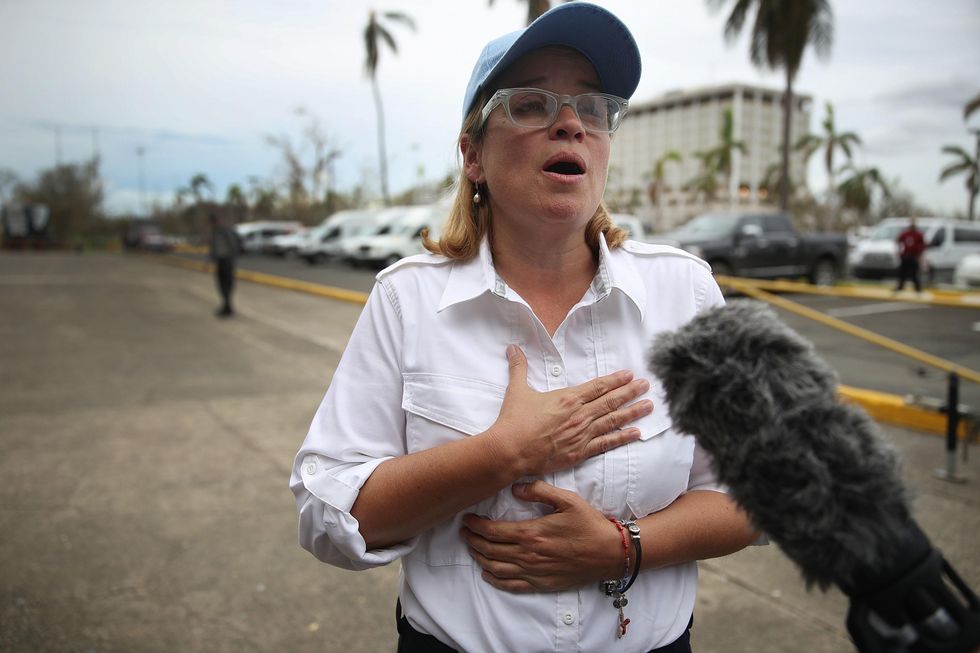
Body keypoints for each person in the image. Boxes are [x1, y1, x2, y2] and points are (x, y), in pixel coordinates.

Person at [290, 4, 758, 651]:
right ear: (473, 154)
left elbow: (750, 489)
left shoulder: (685, 291)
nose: (570, 123)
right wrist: (502, 454)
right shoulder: (408, 299)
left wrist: (624, 546)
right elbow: (326, 515)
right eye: (532, 105)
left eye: (592, 108)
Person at [208, 209, 238, 317]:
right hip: (221, 261)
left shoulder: (224, 231)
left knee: (226, 285)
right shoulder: (215, 232)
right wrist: (210, 260)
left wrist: (232, 259)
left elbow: (233, 245)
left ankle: (227, 307)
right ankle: (227, 307)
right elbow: (213, 248)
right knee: (222, 285)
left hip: (227, 261)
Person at [895, 218, 926, 292]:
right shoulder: (905, 234)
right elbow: (898, 241)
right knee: (902, 272)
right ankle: (900, 287)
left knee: (914, 274)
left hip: (914, 256)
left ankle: (918, 289)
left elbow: (923, 245)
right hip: (905, 255)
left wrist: (920, 256)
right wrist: (899, 251)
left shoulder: (919, 234)